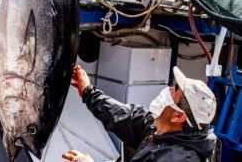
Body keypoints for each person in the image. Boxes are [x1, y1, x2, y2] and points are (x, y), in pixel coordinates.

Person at [62, 65, 217, 162]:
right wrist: (88, 92)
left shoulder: (176, 158)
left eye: (173, 91)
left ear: (178, 116)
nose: (167, 90)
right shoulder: (161, 129)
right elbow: (124, 116)